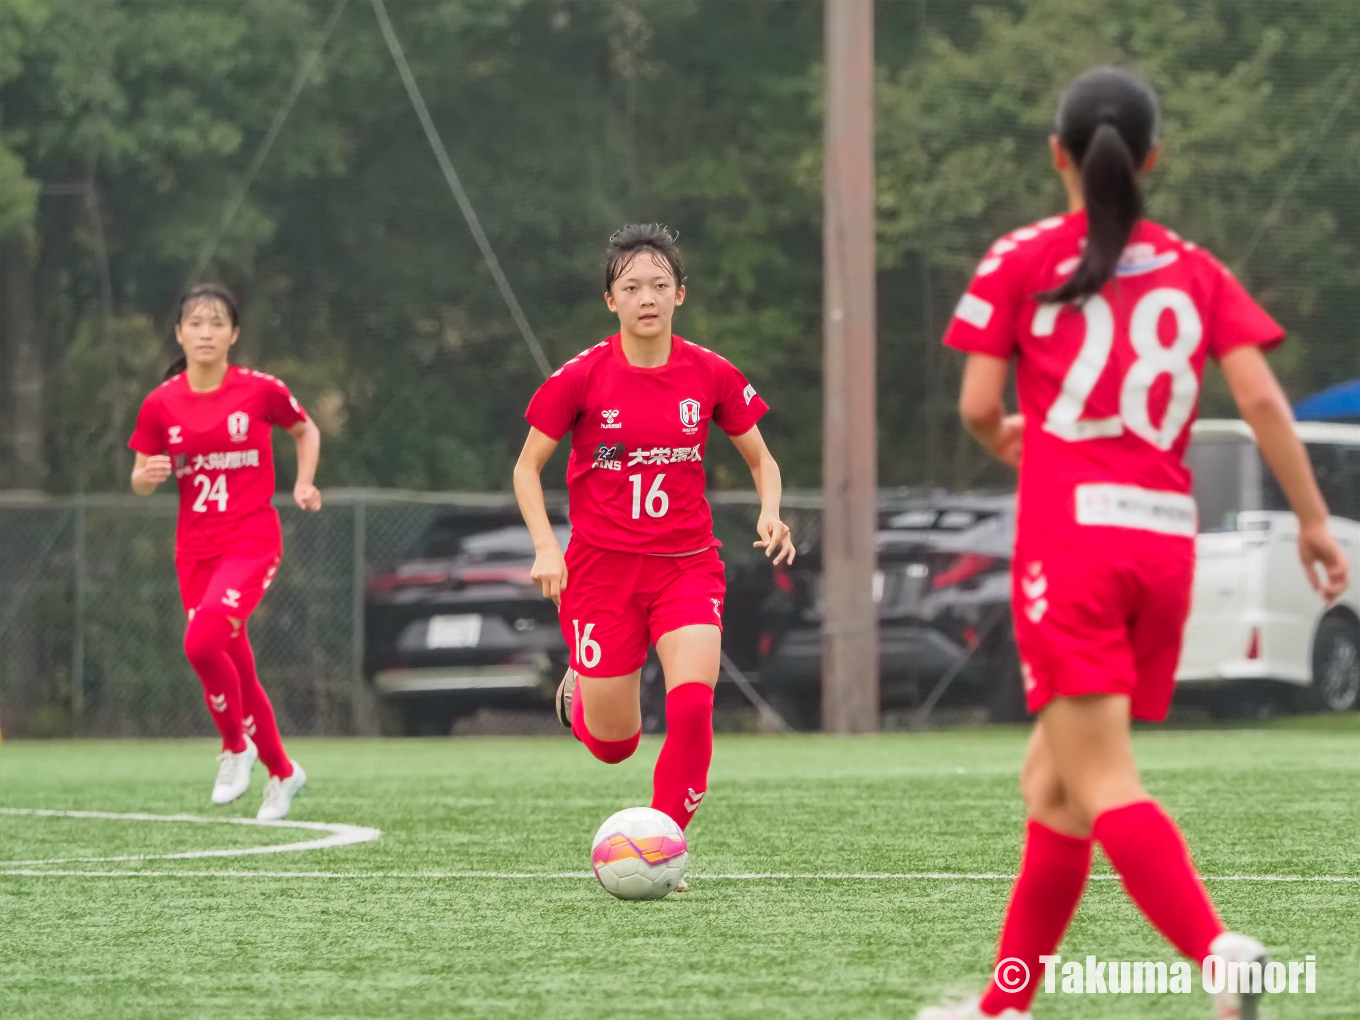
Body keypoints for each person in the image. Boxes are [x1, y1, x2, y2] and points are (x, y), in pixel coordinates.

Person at [919, 68, 1348, 1020]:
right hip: (1163, 546)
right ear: (1152, 157)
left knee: (1100, 775)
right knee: (1055, 784)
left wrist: (1012, 441)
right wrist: (1314, 521)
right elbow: (1265, 400)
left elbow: (981, 407)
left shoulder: (1023, 255)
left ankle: (1218, 953)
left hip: (1073, 544)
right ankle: (1003, 1008)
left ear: (1057, 155)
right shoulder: (1194, 266)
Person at [514, 224, 795, 854]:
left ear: (680, 296)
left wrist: (770, 512)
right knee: (615, 747)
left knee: (693, 707)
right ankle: (581, 694)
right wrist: (545, 547)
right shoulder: (581, 378)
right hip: (602, 573)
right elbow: (526, 468)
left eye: (659, 285)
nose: (647, 297)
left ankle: (660, 845)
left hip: (686, 567)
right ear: (610, 301)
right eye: (632, 286)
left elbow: (762, 460)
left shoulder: (710, 373)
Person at [129, 283, 323, 821]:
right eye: (196, 323)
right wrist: (145, 476)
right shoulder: (160, 402)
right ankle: (283, 773)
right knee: (233, 662)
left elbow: (306, 430)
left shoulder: (260, 390)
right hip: (194, 551)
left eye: (217, 323)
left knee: (202, 642)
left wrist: (304, 483)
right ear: (179, 333)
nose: (206, 332)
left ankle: (234, 748)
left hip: (251, 541)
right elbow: (141, 476)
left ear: (234, 333)